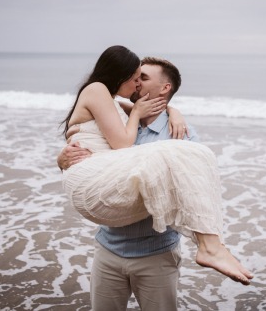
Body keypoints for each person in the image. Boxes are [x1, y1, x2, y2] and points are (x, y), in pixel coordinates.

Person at [60, 46, 253, 309]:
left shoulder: (180, 135)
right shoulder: (117, 117)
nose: (138, 83)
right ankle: (211, 247)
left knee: (191, 154)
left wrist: (174, 111)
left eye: (144, 78)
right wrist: (61, 160)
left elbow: (192, 190)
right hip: (108, 248)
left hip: (155, 255)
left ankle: (210, 247)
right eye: (136, 76)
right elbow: (87, 144)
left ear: (165, 89)